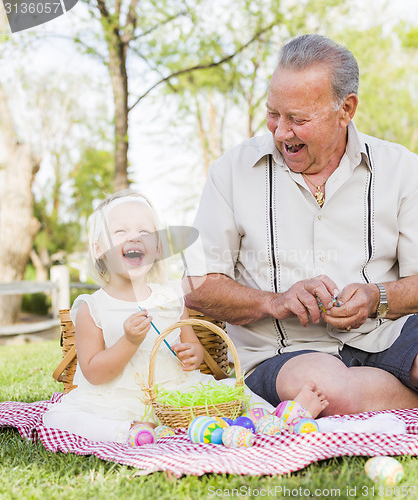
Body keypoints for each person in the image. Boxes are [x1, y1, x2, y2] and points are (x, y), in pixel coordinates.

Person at [183, 34, 418, 417]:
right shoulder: (231, 171)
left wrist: (378, 297)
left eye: (298, 119)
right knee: (322, 390)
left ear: (346, 110)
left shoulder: (402, 169)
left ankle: (374, 403)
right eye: (273, 113)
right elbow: (197, 288)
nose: (280, 132)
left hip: (385, 334)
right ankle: (391, 404)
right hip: (283, 355)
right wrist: (274, 302)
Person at [43, 190, 289, 444]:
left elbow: (192, 345)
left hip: (175, 392)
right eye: (120, 232)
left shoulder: (170, 296)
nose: (134, 238)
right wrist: (128, 341)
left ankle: (277, 419)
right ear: (99, 250)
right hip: (119, 399)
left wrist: (193, 354)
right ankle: (127, 431)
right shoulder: (92, 307)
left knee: (235, 390)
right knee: (57, 417)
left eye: (144, 232)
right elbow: (94, 374)